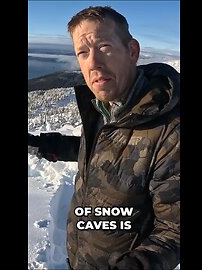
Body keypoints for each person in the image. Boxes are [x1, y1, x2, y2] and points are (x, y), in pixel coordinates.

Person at [28, 6, 180, 270]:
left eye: (105, 46)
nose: (93, 63)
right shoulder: (107, 107)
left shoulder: (170, 131)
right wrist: (50, 145)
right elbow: (110, 150)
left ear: (132, 51)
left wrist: (138, 264)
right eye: (83, 53)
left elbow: (174, 232)